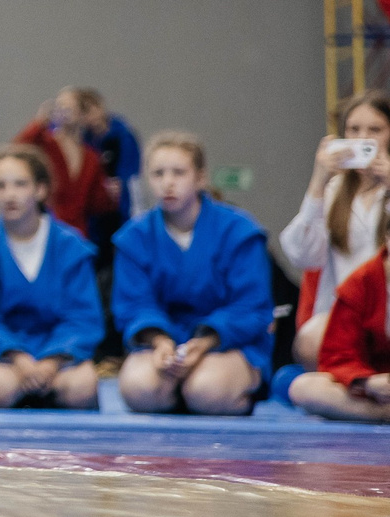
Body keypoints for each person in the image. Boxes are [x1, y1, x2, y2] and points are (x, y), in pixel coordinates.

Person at [114, 131, 271, 416]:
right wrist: (160, 342)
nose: (168, 183)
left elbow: (252, 306)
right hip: (164, 344)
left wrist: (205, 341)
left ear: (200, 178)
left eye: (179, 173)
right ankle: (176, 393)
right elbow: (133, 305)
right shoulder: (133, 238)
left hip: (227, 342)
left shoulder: (238, 231)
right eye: (158, 174)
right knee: (137, 388)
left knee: (206, 391)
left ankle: (233, 391)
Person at [0, 144, 103, 410]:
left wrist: (51, 361)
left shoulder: (72, 247)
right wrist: (18, 357)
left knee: (82, 388)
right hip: (2, 357)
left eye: (20, 184)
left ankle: (38, 388)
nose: (9, 195)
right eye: (0, 186)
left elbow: (83, 317)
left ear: (41, 190)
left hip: (60, 356)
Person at [278, 93, 390, 367]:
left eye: (375, 129)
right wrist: (318, 180)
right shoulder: (334, 191)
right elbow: (303, 256)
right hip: (345, 319)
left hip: (385, 317)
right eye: (353, 129)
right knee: (304, 347)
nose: (363, 138)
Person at [287, 250, 390, 423]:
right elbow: (339, 355)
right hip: (374, 385)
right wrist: (367, 382)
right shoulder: (363, 280)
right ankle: (383, 413)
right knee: (303, 388)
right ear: (387, 238)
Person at [15, 90, 122, 246]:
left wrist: (112, 196)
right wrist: (37, 124)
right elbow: (16, 152)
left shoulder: (91, 157)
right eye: (59, 107)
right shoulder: (47, 144)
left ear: (81, 114)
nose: (63, 112)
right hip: (46, 231)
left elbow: (98, 204)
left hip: (79, 236)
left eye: (69, 108)